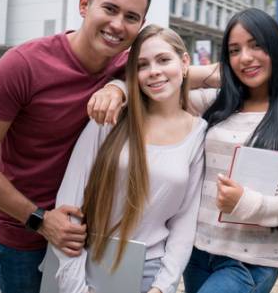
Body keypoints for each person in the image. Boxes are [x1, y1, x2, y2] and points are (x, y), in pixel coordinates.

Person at [0, 0, 156, 293]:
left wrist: (116, 87)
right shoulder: (22, 65)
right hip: (24, 233)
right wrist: (41, 220)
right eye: (110, 9)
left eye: (131, 17)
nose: (118, 24)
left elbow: (184, 75)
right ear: (84, 5)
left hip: (88, 233)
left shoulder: (128, 64)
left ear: (141, 24)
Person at [182, 8, 278, 293]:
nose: (245, 57)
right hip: (197, 252)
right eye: (234, 50)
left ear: (275, 48)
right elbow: (161, 84)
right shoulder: (216, 103)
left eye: (256, 45)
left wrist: (249, 204)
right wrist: (221, 73)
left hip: (250, 261)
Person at [52, 25, 206, 293]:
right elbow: (70, 202)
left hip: (149, 274)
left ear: (184, 63)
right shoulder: (110, 117)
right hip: (86, 264)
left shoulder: (198, 132)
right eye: (142, 65)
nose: (154, 71)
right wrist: (75, 286)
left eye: (163, 60)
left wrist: (163, 287)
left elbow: (184, 221)